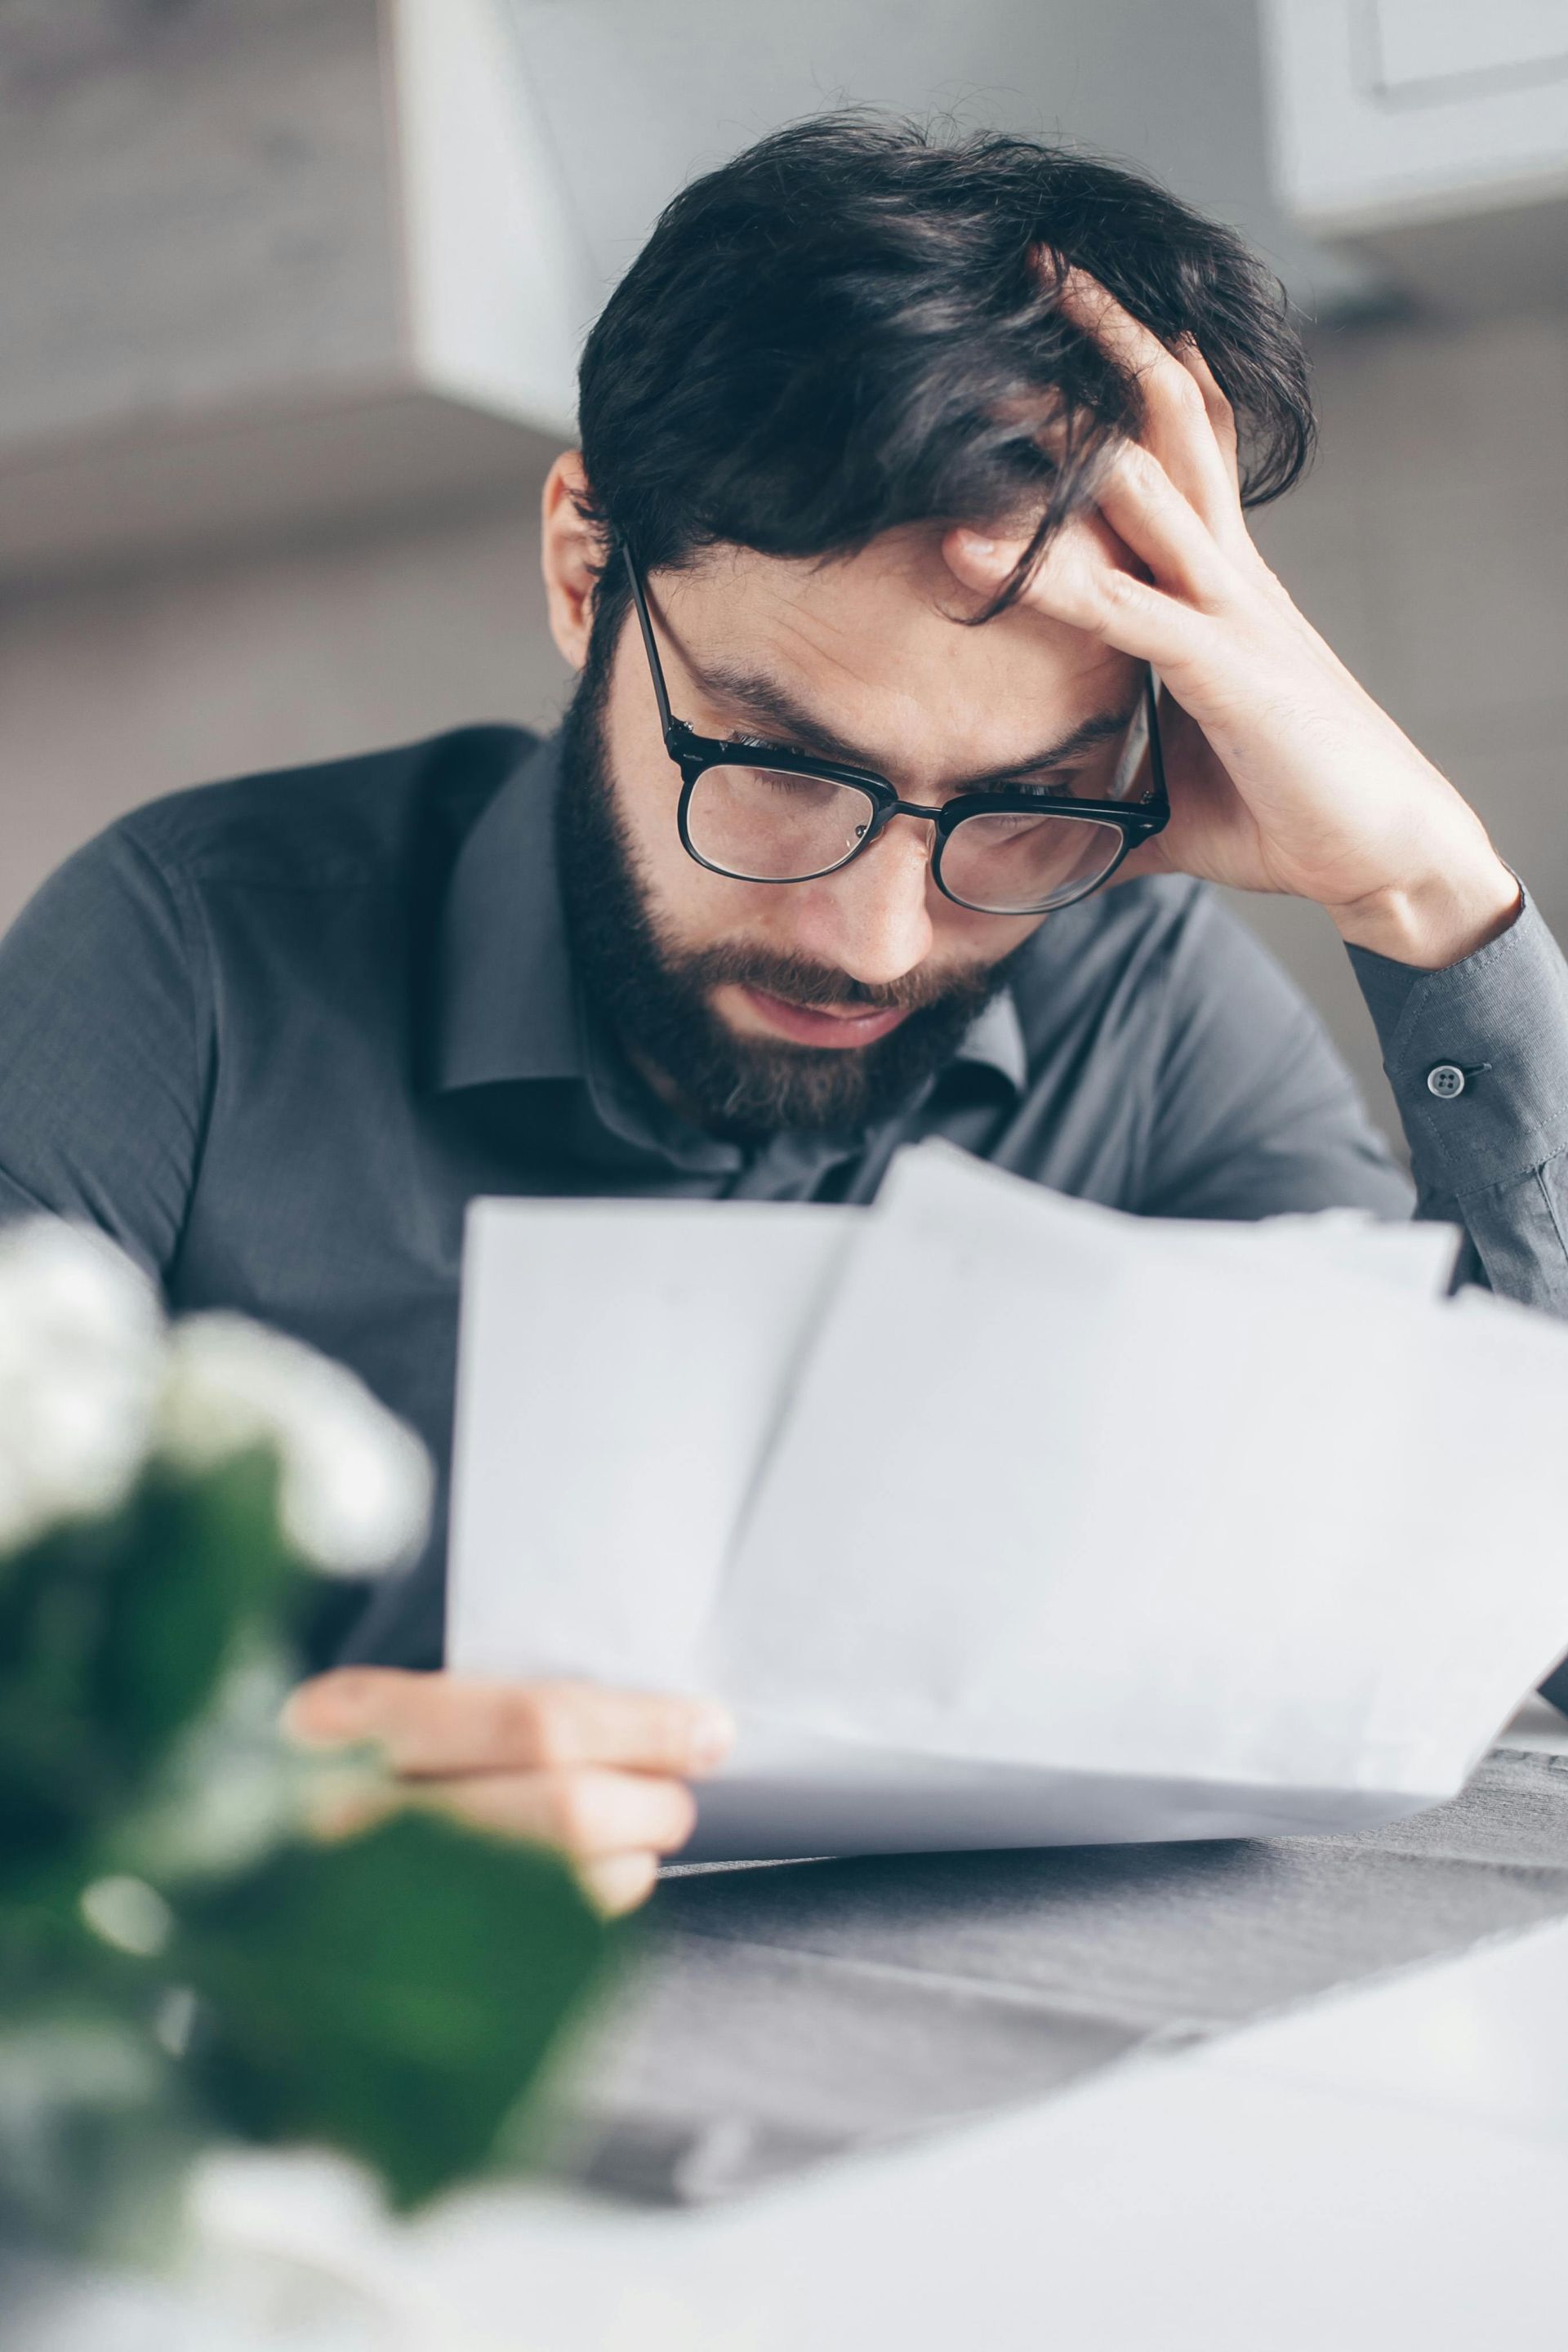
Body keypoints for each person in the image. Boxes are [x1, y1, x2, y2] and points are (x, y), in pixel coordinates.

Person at [3, 119, 1566, 1913]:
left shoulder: (1127, 990)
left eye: (1024, 803)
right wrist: (237, 1819)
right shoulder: (186, 957)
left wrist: (1437, 903)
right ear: (590, 569)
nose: (880, 938)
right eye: (776, 769)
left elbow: (1523, 1606)